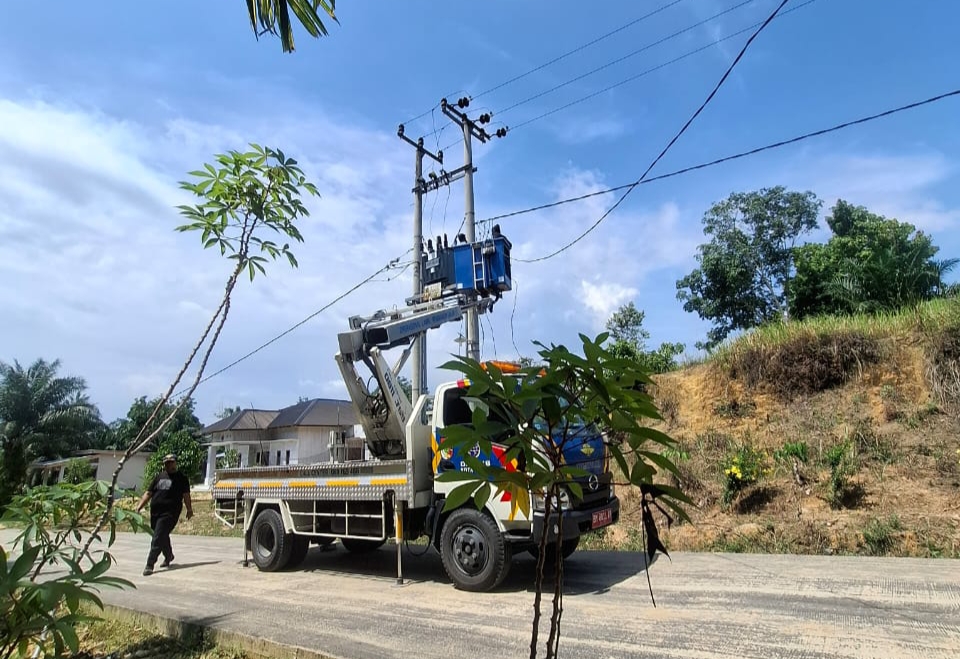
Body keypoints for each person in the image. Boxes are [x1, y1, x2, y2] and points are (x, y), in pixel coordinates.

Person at [136, 453, 193, 576]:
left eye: (171, 462)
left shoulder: (181, 478)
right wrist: (139, 506)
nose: (168, 465)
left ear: (175, 463)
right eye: (166, 463)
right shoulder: (159, 477)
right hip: (156, 512)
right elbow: (149, 493)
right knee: (161, 535)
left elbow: (186, 495)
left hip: (170, 512)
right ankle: (169, 556)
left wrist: (189, 509)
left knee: (158, 537)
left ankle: (150, 564)